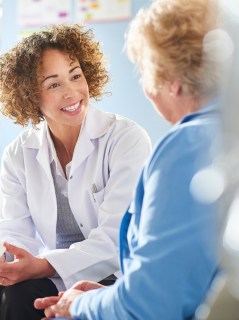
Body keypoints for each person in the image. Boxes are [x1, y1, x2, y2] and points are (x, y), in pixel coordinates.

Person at [34, 0, 224, 318]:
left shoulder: (187, 147)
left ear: (173, 81)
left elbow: (147, 306)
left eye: (146, 71)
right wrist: (114, 294)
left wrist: (78, 304)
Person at [0, 24, 151, 320]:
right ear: (31, 95)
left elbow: (114, 241)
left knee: (26, 294)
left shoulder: (125, 139)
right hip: (48, 272)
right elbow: (13, 237)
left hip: (111, 274)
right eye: (54, 84)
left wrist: (42, 266)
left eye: (76, 76)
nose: (72, 93)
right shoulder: (19, 153)